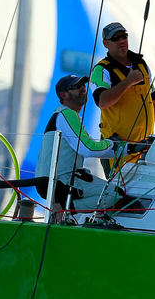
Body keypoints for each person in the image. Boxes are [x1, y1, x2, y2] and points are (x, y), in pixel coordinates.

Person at [35, 74, 123, 221]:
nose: (82, 89)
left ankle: (63, 212)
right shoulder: (66, 114)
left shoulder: (65, 116)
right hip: (61, 180)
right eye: (76, 87)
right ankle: (65, 209)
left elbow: (89, 147)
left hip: (51, 180)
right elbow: (88, 148)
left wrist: (122, 149)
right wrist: (112, 143)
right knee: (115, 194)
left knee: (109, 194)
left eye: (83, 85)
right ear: (63, 94)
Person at [89, 22, 155, 175]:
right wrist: (128, 81)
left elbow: (153, 101)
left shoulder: (141, 64)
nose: (121, 41)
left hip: (145, 149)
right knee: (119, 196)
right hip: (118, 151)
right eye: (115, 38)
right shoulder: (102, 70)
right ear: (106, 43)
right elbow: (102, 102)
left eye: (124, 36)